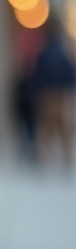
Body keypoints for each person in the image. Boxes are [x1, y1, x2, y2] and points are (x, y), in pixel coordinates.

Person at [32, 16, 76, 170]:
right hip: (61, 95)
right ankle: (65, 160)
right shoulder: (64, 53)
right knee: (64, 131)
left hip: (47, 96)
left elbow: (36, 76)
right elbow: (71, 74)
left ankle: (45, 160)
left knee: (46, 131)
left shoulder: (43, 54)